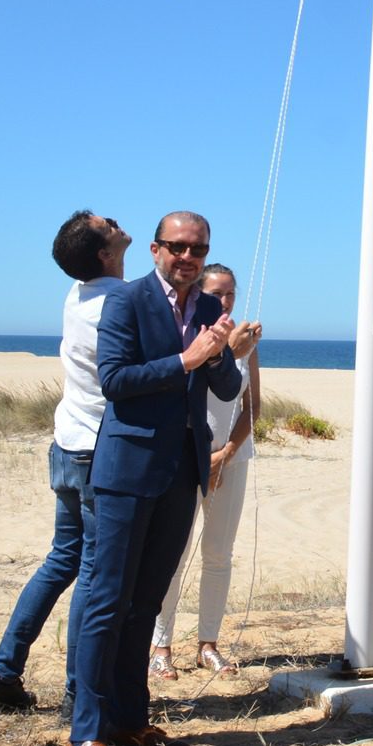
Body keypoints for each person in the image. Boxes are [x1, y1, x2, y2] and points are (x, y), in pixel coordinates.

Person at [69, 212, 258, 746]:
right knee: (108, 600)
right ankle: (89, 730)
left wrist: (218, 354)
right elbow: (114, 381)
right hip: (128, 469)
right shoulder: (126, 301)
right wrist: (186, 359)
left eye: (198, 249)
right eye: (177, 247)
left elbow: (226, 388)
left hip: (182, 472)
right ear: (156, 250)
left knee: (147, 602)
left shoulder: (208, 308)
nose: (188, 257)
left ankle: (130, 720)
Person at [0, 210, 129, 716]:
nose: (116, 221)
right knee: (91, 572)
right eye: (108, 224)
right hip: (95, 450)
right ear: (104, 253)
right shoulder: (119, 302)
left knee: (62, 559)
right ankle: (76, 692)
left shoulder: (77, 294)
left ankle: (3, 673)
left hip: (66, 443)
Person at [149, 263, 261, 678]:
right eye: (217, 293)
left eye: (231, 293)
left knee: (218, 553)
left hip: (232, 458)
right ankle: (161, 645)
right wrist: (204, 458)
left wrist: (226, 454)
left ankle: (208, 644)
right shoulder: (189, 334)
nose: (226, 301)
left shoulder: (247, 340)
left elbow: (252, 406)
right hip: (186, 456)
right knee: (174, 553)